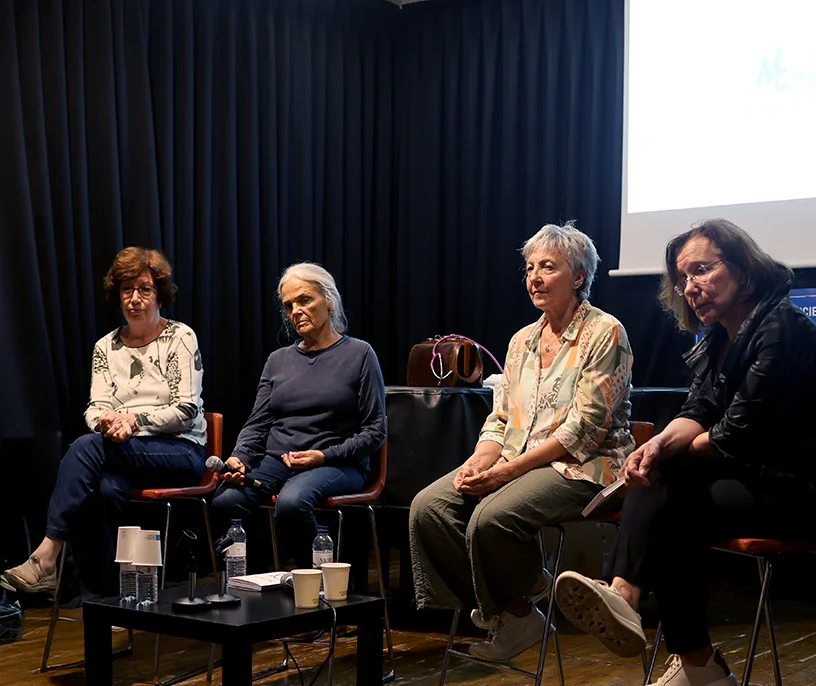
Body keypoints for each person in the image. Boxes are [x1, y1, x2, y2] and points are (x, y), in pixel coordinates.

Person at [555, 218, 816, 686]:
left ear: (744, 272)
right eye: (682, 278)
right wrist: (658, 445)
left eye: (701, 270)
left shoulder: (781, 332)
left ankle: (676, 642)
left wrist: (664, 450)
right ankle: (639, 611)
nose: (689, 287)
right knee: (662, 472)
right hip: (764, 476)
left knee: (671, 484)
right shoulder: (718, 339)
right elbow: (697, 411)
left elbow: (733, 436)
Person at [409, 222, 634, 663]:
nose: (534, 277)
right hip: (517, 460)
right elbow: (500, 419)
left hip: (585, 465)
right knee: (429, 508)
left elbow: (584, 429)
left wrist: (509, 471)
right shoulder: (522, 341)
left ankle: (518, 593)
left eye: (547, 267)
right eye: (529, 268)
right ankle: (517, 608)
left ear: (579, 278)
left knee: (491, 518)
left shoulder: (605, 332)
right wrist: (479, 462)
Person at [1, 248, 206, 597]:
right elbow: (95, 407)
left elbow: (185, 408)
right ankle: (114, 597)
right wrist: (106, 422)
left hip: (180, 449)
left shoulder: (180, 337)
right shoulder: (106, 347)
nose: (135, 299)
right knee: (107, 489)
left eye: (144, 289)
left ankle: (47, 555)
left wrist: (130, 420)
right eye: (127, 290)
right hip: (123, 451)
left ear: (160, 294)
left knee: (85, 447)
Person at [211, 263, 385, 565]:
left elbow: (374, 430)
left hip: (338, 462)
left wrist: (323, 456)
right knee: (226, 501)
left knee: (292, 502)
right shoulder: (278, 360)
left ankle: (315, 585)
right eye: (289, 305)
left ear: (328, 300)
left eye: (305, 300)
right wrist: (240, 458)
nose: (296, 311)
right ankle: (257, 586)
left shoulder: (359, 354)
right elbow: (258, 423)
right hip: (277, 460)